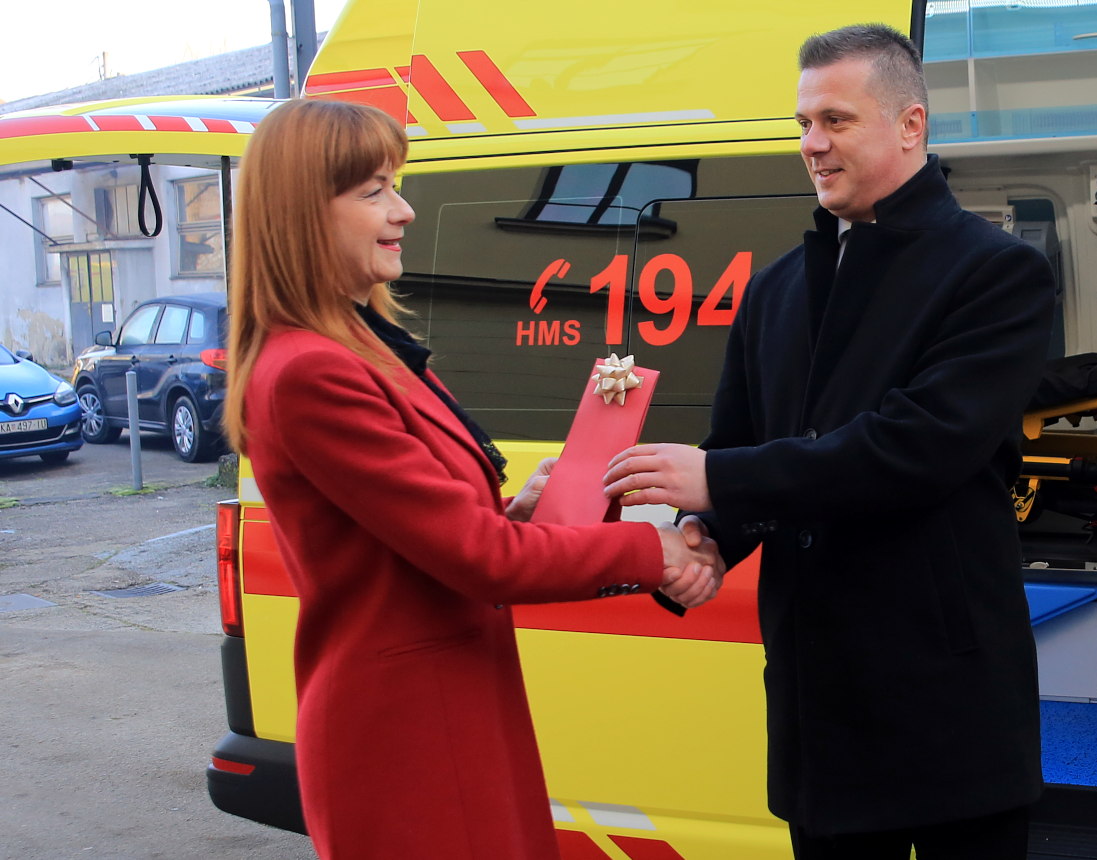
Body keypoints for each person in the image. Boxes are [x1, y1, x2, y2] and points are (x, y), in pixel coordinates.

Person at [223, 98, 721, 859]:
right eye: (374, 192)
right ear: (302, 215)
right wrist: (654, 552)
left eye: (395, 186)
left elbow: (430, 538)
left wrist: (521, 511)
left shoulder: (356, 345)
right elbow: (478, 558)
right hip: (410, 736)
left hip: (443, 711)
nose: (403, 211)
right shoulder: (314, 370)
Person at [602, 24, 1054, 859]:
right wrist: (702, 539)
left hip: (945, 699)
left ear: (911, 125)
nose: (812, 143)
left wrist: (717, 483)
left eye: (836, 120)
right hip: (821, 704)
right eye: (804, 123)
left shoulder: (995, 273)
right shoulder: (774, 289)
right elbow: (739, 445)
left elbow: (917, 448)